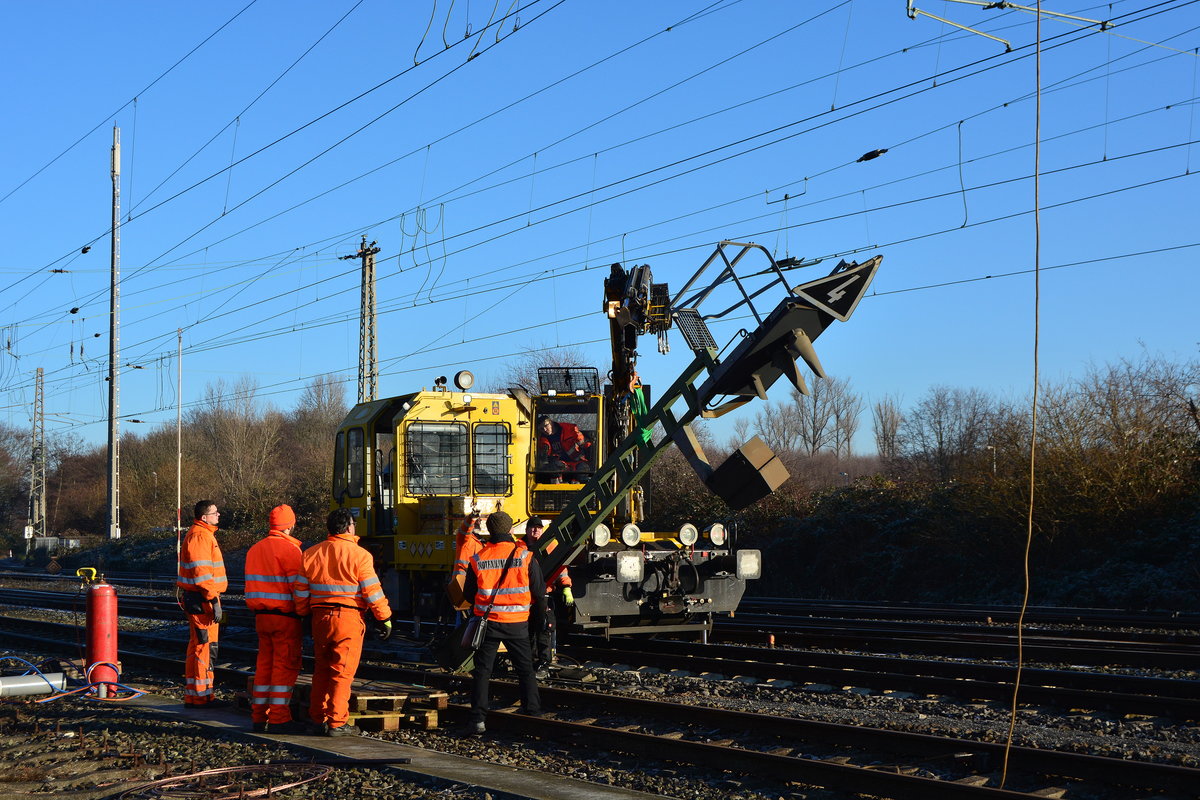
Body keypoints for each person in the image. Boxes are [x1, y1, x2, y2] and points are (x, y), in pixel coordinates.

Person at [297, 508, 392, 736]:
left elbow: (300, 591)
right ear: (349, 527)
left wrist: (303, 614)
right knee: (342, 672)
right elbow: (372, 591)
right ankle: (337, 723)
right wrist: (384, 617)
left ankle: (317, 718)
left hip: (320, 619)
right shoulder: (360, 555)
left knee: (321, 669)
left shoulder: (310, 553)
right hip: (347, 619)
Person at [463, 510, 545, 735]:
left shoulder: (478, 559)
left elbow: (469, 594)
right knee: (525, 670)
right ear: (510, 530)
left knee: (482, 672)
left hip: (487, 624)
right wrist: (539, 621)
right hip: (517, 623)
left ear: (490, 530)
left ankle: (478, 720)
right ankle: (533, 713)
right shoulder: (525, 556)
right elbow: (539, 592)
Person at [244, 504, 308, 733]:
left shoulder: (254, 550)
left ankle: (259, 716)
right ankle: (279, 719)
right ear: (290, 525)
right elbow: (298, 589)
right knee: (284, 666)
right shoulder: (290, 550)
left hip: (261, 618)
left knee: (264, 666)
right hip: (285, 618)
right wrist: (304, 612)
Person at [177, 500, 228, 709]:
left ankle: (195, 695)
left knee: (198, 646)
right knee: (205, 649)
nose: (218, 515)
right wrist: (213, 600)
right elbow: (202, 574)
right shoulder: (200, 536)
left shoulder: (201, 534)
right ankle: (202, 697)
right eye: (215, 513)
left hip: (198, 599)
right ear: (204, 517)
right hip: (203, 600)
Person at [520, 517, 574, 679]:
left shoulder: (550, 546)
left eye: (538, 527)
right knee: (528, 631)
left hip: (544, 594)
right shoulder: (518, 547)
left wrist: (566, 586)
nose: (535, 530)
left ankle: (544, 662)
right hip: (524, 596)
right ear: (527, 530)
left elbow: (561, 569)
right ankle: (530, 662)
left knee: (544, 628)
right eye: (532, 527)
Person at [536, 416, 592, 481]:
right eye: (541, 429)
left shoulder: (569, 430)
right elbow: (544, 459)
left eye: (546, 425)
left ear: (551, 422)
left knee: (583, 469)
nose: (545, 430)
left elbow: (585, 444)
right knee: (553, 469)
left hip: (577, 462)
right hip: (560, 466)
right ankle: (557, 486)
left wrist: (590, 453)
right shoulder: (541, 441)